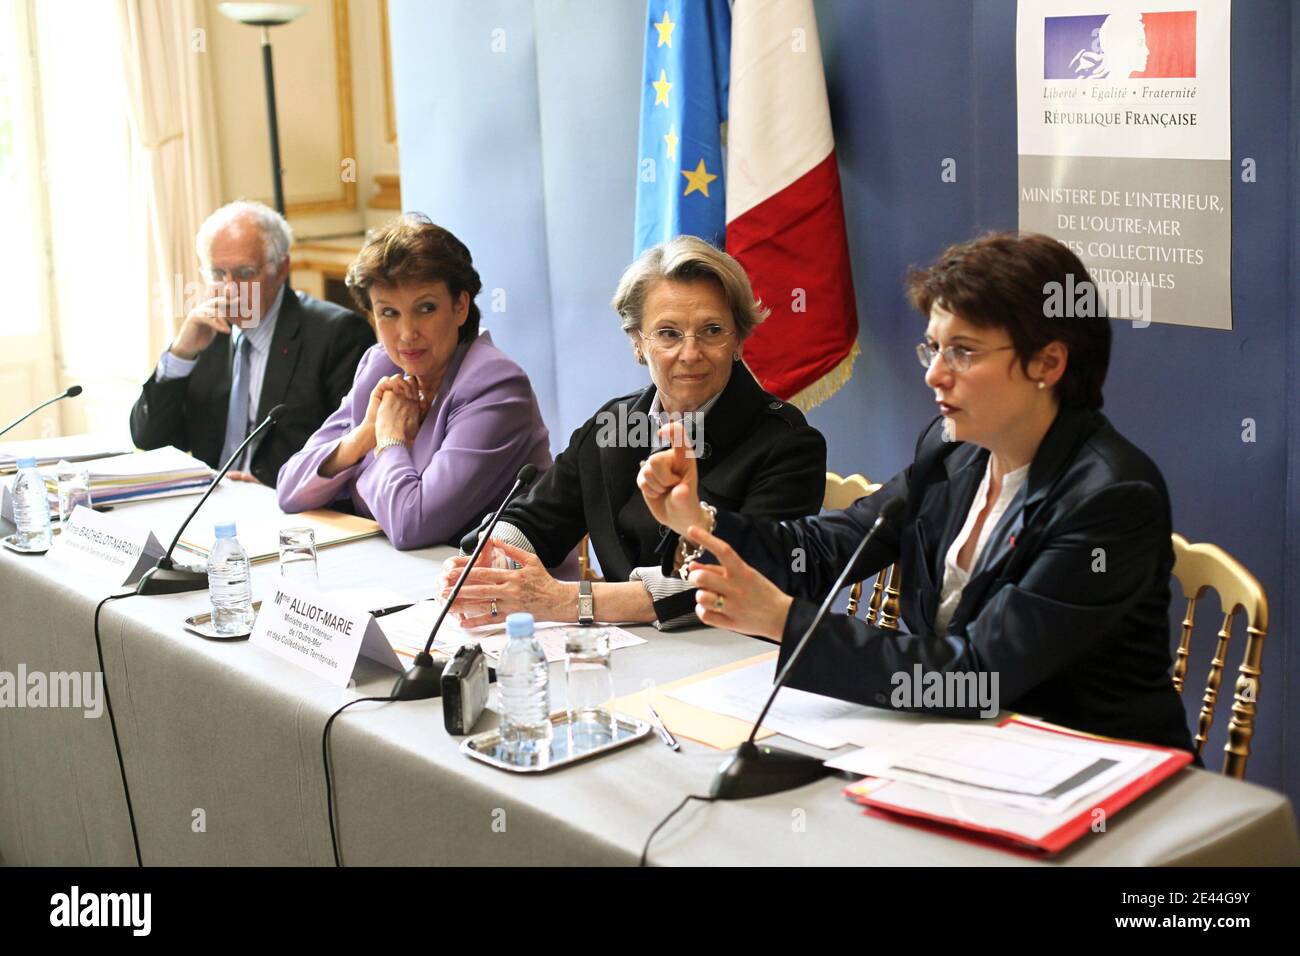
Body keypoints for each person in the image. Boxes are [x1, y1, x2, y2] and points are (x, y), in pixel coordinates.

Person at [639, 232, 1194, 753]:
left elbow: (977, 678)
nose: (935, 375)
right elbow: (836, 544)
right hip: (956, 744)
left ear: (1047, 363)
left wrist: (786, 622)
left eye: (965, 352)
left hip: (1086, 767)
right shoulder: (955, 450)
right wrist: (702, 520)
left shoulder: (1110, 500)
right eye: (933, 349)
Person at [440, 235, 827, 629]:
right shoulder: (613, 425)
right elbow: (535, 518)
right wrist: (489, 563)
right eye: (669, 333)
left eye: (712, 331)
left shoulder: (788, 443)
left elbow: (736, 579)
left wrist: (567, 601)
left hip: (733, 659)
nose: (690, 353)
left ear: (739, 341)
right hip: (630, 650)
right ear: (637, 344)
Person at [276, 214, 552, 551]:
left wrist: (390, 442)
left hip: (497, 593)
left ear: (460, 306)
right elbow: (289, 490)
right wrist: (364, 436)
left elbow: (412, 525)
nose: (407, 334)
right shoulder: (380, 366)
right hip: (399, 578)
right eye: (389, 313)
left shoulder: (495, 386)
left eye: (425, 308)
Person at [129, 200, 375, 486]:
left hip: (291, 512)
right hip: (208, 506)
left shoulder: (337, 335)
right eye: (218, 275)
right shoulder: (206, 334)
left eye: (244, 274)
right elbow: (151, 438)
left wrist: (277, 491)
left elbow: (356, 453)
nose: (230, 289)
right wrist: (181, 354)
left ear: (282, 268)